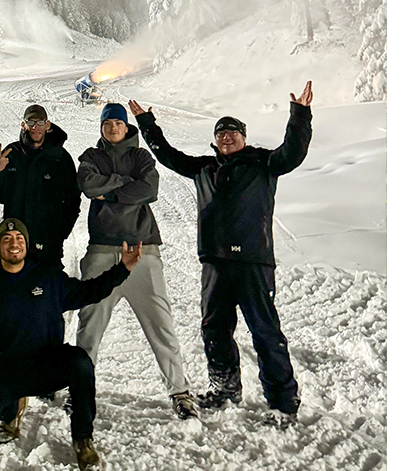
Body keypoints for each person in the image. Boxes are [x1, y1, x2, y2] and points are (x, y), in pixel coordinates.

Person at [130, 83, 314, 418]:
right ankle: (225, 389)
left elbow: (294, 152)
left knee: (264, 330)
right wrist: (147, 124)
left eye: (233, 133)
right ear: (215, 141)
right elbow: (168, 155)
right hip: (215, 262)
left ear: (243, 137)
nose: (227, 138)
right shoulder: (204, 168)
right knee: (215, 328)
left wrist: (299, 115)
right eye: (221, 134)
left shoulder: (263, 163)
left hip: (252, 261)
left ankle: (283, 401)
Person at [0, 219, 141, 471]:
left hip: (46, 365)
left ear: (26, 246)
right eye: (7, 239)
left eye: (19, 239)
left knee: (80, 363)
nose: (14, 244)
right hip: (7, 371)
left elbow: (89, 292)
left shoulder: (48, 278)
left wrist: (122, 269)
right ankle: (12, 408)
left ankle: (83, 440)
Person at [75, 101, 197, 421]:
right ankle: (79, 389)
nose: (113, 128)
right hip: (102, 250)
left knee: (160, 323)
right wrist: (126, 185)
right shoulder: (91, 156)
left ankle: (180, 392)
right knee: (90, 325)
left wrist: (110, 189)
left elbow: (150, 189)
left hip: (143, 249)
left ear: (127, 127)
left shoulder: (141, 156)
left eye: (118, 123)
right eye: (107, 124)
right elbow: (88, 185)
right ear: (101, 128)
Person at [0, 104, 80, 269]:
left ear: (47, 125)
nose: (35, 127)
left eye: (40, 123)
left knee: (48, 289)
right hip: (16, 241)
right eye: (30, 122)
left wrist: (60, 234)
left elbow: (73, 201)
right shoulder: (12, 153)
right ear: (23, 125)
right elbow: (0, 196)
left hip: (48, 243)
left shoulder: (60, 157)